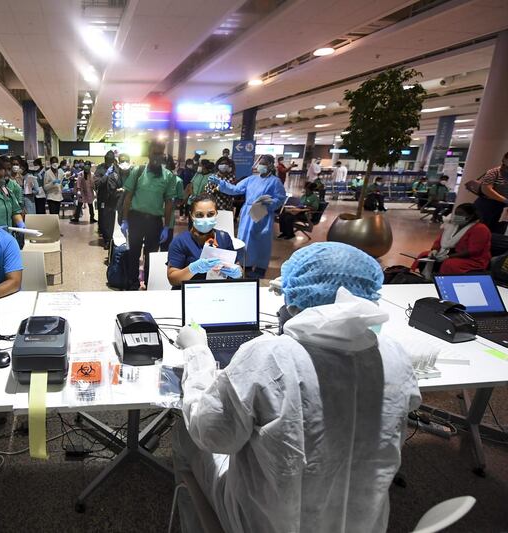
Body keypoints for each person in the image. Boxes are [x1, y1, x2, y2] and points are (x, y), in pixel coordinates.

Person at [173, 242, 421, 533]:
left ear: (294, 297)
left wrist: (197, 353)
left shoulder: (269, 355)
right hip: (363, 523)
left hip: (266, 523)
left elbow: (211, 434)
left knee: (185, 431)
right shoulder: (393, 354)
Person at [208, 154, 286, 278]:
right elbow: (235, 189)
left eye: (264, 163)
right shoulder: (251, 179)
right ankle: (246, 264)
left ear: (270, 165)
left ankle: (260, 266)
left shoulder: (275, 181)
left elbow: (280, 198)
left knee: (261, 240)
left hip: (262, 213)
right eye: (261, 163)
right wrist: (221, 183)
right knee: (244, 238)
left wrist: (269, 203)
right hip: (247, 213)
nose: (261, 166)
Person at [120, 141, 178, 290]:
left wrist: (167, 226)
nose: (157, 157)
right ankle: (132, 284)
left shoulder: (168, 177)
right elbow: (128, 196)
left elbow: (169, 203)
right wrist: (125, 219)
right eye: (155, 153)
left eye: (161, 153)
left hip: (154, 222)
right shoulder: (138, 171)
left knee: (151, 255)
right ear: (149, 153)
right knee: (133, 252)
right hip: (136, 219)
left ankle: (149, 282)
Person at [167, 194, 241, 287]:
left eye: (210, 214)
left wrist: (238, 273)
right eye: (199, 215)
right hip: (191, 293)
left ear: (216, 213)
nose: (205, 219)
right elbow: (172, 279)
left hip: (219, 292)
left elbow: (238, 268)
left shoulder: (224, 238)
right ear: (191, 215)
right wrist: (192, 269)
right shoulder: (180, 242)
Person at [412, 203, 491, 278]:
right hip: (448, 253)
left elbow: (473, 250)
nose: (457, 216)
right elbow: (439, 241)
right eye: (456, 213)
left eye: (460, 214)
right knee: (425, 255)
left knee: (449, 264)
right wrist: (435, 250)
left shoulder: (480, 229)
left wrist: (448, 257)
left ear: (470, 216)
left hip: (472, 259)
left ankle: (442, 282)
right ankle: (422, 278)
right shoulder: (453, 226)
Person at [473, 152, 508, 231]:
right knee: (480, 229)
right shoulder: (495, 172)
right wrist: (505, 200)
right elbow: (486, 189)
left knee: (497, 230)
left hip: (503, 208)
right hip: (488, 204)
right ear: (504, 159)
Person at [94, 151, 121, 247]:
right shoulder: (100, 169)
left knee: (112, 219)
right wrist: (106, 175)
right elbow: (97, 183)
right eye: (108, 161)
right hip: (103, 198)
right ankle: (107, 240)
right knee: (104, 219)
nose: (109, 163)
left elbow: (121, 181)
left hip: (114, 198)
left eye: (111, 161)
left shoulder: (117, 169)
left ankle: (111, 238)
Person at [162, 156, 184, 251]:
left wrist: (172, 202)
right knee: (151, 249)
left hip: (168, 220)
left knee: (165, 249)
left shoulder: (178, 181)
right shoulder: (157, 180)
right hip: (154, 219)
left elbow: (180, 200)